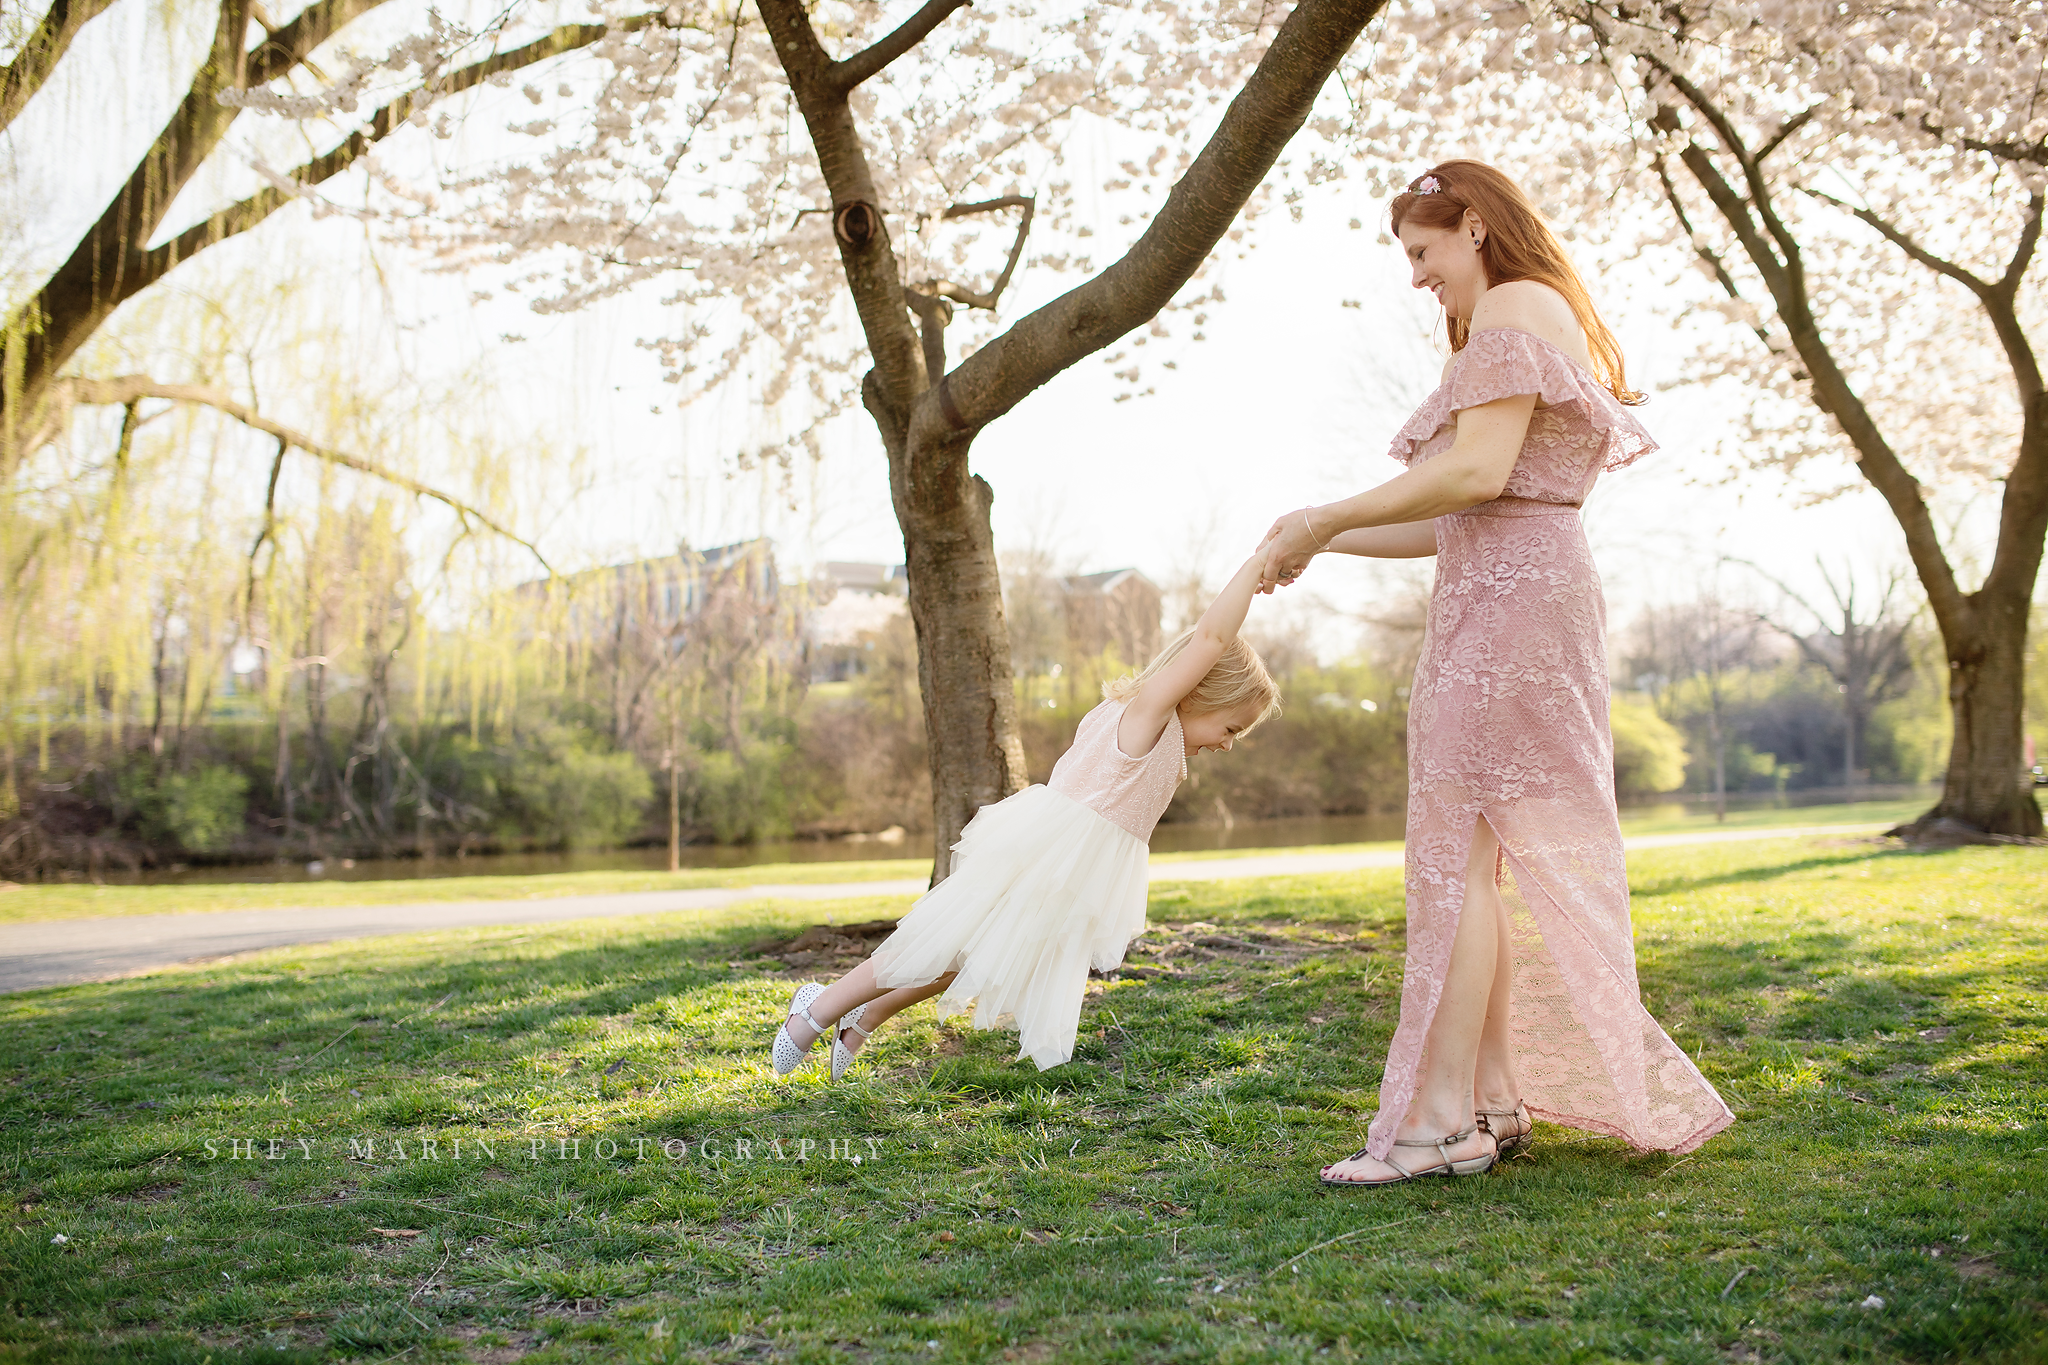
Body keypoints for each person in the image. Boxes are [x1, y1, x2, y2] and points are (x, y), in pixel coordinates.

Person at [1258, 160, 1734, 1186]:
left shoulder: (1516, 302)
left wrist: (1325, 513)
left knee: (1455, 859)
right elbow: (1456, 517)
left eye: (1421, 252)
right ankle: (1490, 1105)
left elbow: (1471, 476)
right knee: (1471, 852)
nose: (1416, 277)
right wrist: (1319, 541)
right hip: (1503, 591)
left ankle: (1434, 1124)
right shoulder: (1517, 315)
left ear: (1472, 226)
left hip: (1514, 608)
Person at [769, 554, 1281, 1079]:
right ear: (1196, 691)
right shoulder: (1148, 717)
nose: (1228, 745)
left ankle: (865, 1015)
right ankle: (814, 1011)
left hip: (1071, 869)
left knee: (974, 956)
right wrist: (1260, 563)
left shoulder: (1156, 730)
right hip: (1048, 853)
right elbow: (1212, 639)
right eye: (1231, 728)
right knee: (941, 940)